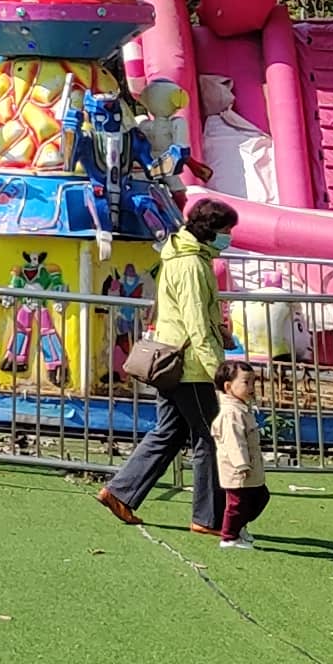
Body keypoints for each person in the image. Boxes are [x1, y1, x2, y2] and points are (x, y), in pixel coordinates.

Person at [99, 194, 238, 529]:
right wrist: (220, 373)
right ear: (210, 231)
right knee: (210, 436)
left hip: (171, 360)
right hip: (190, 366)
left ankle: (120, 491)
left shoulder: (177, 256)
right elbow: (196, 323)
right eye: (226, 231)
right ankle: (208, 517)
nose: (229, 237)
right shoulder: (192, 264)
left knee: (170, 432)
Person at [202, 357, 272, 545]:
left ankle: (239, 526)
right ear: (228, 387)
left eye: (253, 382)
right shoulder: (230, 413)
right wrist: (241, 464)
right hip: (237, 469)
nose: (251, 387)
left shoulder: (241, 409)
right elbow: (234, 443)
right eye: (246, 382)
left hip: (250, 466)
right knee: (236, 504)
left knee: (260, 496)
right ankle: (229, 537)